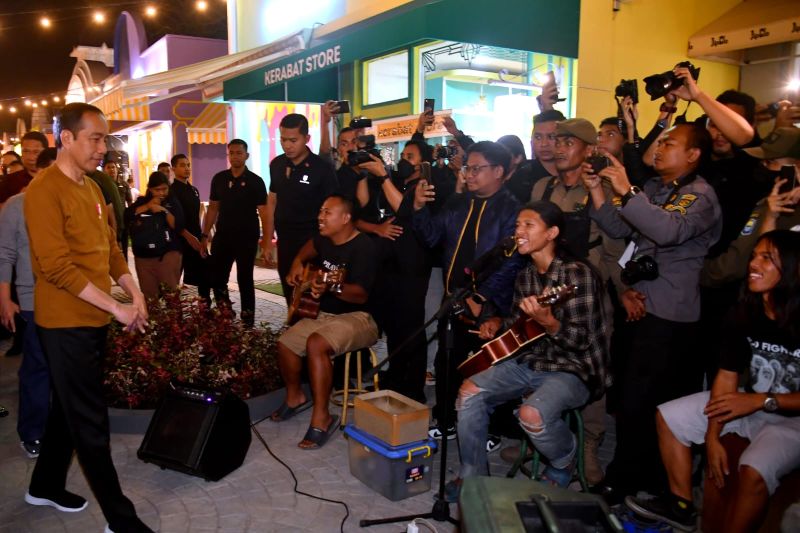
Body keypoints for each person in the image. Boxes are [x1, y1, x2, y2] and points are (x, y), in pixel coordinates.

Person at [23, 102, 152, 532]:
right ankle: (121, 519)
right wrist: (117, 307)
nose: (104, 148)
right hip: (64, 324)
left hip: (94, 318)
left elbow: (111, 248)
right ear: (67, 139)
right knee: (91, 421)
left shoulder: (93, 187)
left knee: (67, 407)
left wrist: (133, 291)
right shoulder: (44, 190)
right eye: (95, 139)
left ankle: (44, 485)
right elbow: (55, 267)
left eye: (105, 138)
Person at [626, 230, 800, 532]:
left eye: (767, 258)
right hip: (752, 403)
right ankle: (681, 506)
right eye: (754, 255)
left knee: (754, 468)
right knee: (670, 416)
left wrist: (762, 401)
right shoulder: (745, 311)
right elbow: (727, 375)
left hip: (792, 418)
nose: (753, 264)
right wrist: (712, 436)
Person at [586, 123, 722, 502]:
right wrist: (598, 187)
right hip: (639, 301)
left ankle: (642, 479)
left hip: (671, 312)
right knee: (631, 401)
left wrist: (627, 188)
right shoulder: (655, 189)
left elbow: (666, 232)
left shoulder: (700, 196)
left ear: (693, 155)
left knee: (651, 402)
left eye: (670, 143)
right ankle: (636, 475)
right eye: (660, 142)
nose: (659, 149)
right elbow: (619, 224)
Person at [449, 201, 611, 499]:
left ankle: (564, 461)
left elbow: (582, 341)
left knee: (531, 414)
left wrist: (550, 323)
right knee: (468, 392)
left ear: (551, 233)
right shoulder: (526, 275)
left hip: (574, 368)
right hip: (533, 360)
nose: (518, 232)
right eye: (517, 226)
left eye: (528, 225)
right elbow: (521, 324)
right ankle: (473, 476)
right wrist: (497, 321)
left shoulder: (577, 276)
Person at [412, 141, 523, 441]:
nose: (469, 175)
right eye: (467, 168)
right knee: (447, 363)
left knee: (488, 369)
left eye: (477, 169)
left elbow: (511, 264)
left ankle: (491, 429)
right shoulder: (459, 203)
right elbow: (432, 237)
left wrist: (482, 297)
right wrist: (419, 208)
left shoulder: (512, 210)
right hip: (456, 300)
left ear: (498, 171)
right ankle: (446, 419)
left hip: (492, 307)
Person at [270, 195, 379, 449]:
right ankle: (295, 396)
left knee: (316, 344)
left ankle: (322, 416)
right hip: (325, 316)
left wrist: (332, 287)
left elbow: (360, 295)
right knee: (285, 343)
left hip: (360, 318)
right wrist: (298, 262)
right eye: (320, 211)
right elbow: (310, 247)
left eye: (327, 212)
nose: (320, 216)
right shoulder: (324, 238)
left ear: (345, 218)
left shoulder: (364, 247)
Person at [264, 114, 339, 307]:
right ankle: (294, 329)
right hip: (285, 240)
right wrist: (267, 238)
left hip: (313, 242)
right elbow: (272, 200)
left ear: (306, 139)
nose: (287, 145)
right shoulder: (277, 164)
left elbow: (333, 208)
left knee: (310, 298)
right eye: (283, 140)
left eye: (293, 140)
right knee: (290, 293)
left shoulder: (321, 168)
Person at [201, 139, 269, 327]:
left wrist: (267, 241)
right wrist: (204, 235)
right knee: (218, 277)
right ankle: (225, 312)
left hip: (247, 237)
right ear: (228, 155)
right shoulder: (219, 179)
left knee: (245, 278)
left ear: (246, 156)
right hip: (223, 235)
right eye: (232, 153)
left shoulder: (256, 181)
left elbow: (264, 212)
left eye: (239, 153)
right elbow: (213, 209)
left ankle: (248, 320)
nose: (235, 156)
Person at [126, 171, 185, 301]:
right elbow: (128, 215)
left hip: (168, 253)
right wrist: (148, 206)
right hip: (144, 257)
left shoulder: (173, 202)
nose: (161, 193)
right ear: (150, 189)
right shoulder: (142, 201)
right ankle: (153, 321)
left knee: (171, 296)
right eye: (157, 190)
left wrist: (164, 210)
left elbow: (178, 226)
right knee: (149, 298)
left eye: (164, 189)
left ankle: (173, 321)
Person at [169, 154, 209, 302]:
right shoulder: (171, 191)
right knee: (174, 279)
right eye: (182, 165)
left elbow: (195, 216)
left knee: (204, 276)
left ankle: (205, 308)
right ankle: (173, 312)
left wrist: (201, 237)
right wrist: (187, 235)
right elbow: (172, 219)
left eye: (188, 165)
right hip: (178, 240)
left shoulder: (194, 190)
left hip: (196, 239)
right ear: (173, 168)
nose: (187, 168)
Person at [0, 131, 48, 207]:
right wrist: (17, 200)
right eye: (26, 151)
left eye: (36, 152)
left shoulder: (56, 179)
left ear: (46, 152)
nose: (30, 157)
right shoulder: (10, 181)